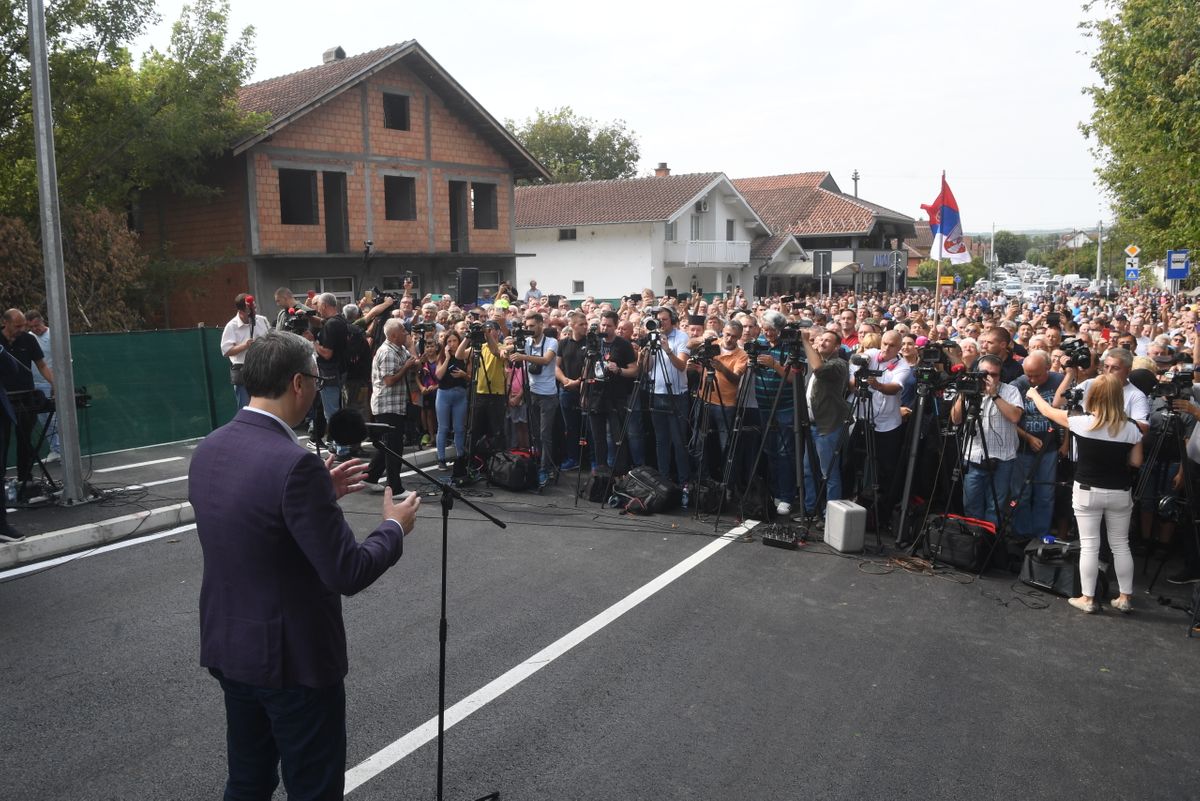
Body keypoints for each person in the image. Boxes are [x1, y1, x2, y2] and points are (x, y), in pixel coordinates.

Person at [189, 330, 420, 800]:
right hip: (291, 661)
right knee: (313, 786)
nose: (317, 388)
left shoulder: (210, 448)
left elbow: (252, 521)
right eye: (315, 379)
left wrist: (319, 495)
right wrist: (393, 528)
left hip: (230, 645)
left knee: (248, 779)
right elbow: (347, 571)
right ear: (298, 382)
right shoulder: (296, 465)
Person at [1026, 374, 1142, 614]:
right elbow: (1136, 461)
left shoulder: (1082, 422)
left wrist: (1034, 394)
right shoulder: (1131, 427)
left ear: (1095, 396)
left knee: (1090, 545)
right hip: (1120, 490)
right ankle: (1124, 597)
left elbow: (1048, 411)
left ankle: (1087, 599)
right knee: (1120, 544)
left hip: (1088, 489)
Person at [949, 354, 1023, 528]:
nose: (989, 378)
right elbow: (955, 419)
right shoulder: (971, 390)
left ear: (1000, 375)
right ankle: (972, 544)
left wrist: (995, 395)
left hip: (1003, 459)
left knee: (995, 507)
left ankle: (988, 545)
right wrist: (963, 393)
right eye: (985, 373)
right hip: (974, 456)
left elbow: (1015, 417)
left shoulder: (1010, 391)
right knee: (971, 505)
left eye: (994, 374)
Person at [1008, 351, 1066, 539]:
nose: (1031, 380)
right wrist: (1028, 438)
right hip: (1023, 448)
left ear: (1048, 368)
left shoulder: (1059, 380)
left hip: (1049, 448)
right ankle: (1022, 533)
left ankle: (1041, 534)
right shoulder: (1017, 385)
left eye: (1036, 375)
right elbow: (1009, 419)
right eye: (1028, 375)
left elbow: (1069, 414)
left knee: (1045, 493)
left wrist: (1065, 443)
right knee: (1021, 494)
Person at [0, 309, 54, 494]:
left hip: (25, 396)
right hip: (4, 398)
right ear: (5, 323)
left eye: (23, 325)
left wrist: (55, 383)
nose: (21, 329)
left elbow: (42, 364)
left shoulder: (28, 339)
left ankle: (25, 477)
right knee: (3, 439)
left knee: (25, 438)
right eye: (17, 326)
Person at [800, 328, 849, 517]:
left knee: (828, 472)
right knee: (808, 471)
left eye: (828, 341)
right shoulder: (814, 362)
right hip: (811, 424)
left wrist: (806, 341)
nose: (822, 343)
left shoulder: (839, 364)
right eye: (820, 340)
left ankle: (831, 515)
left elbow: (820, 370)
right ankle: (810, 510)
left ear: (837, 346)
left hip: (828, 426)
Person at [363, 319, 416, 495]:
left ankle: (370, 476)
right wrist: (406, 367)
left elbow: (413, 361)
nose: (406, 333)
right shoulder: (387, 352)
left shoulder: (399, 349)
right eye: (403, 331)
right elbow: (389, 381)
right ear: (393, 335)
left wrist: (413, 353)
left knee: (388, 445)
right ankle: (395, 488)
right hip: (387, 406)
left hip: (396, 405)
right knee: (394, 447)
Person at [753, 311, 798, 515]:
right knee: (769, 451)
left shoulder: (790, 345)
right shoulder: (760, 342)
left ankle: (787, 496)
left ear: (780, 329)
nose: (768, 333)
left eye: (772, 329)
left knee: (784, 453)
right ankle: (773, 493)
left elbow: (794, 379)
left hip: (785, 407)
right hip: (764, 406)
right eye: (765, 329)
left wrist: (775, 365)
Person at [508, 311, 559, 485]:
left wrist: (523, 356)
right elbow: (509, 351)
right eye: (526, 326)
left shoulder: (552, 342)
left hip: (548, 396)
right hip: (533, 393)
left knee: (545, 434)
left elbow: (546, 360)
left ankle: (546, 469)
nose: (529, 329)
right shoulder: (526, 342)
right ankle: (538, 464)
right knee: (535, 434)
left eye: (531, 326)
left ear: (540, 325)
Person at [645, 307, 692, 493]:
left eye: (664, 320)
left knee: (679, 441)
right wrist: (648, 350)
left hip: (677, 395)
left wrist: (667, 349)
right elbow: (647, 369)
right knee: (661, 440)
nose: (661, 323)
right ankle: (663, 481)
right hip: (656, 393)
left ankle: (684, 482)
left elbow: (682, 366)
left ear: (672, 320)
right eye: (658, 320)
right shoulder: (652, 336)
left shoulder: (681, 337)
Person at [587, 310, 637, 475]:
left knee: (617, 437)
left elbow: (634, 370)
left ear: (616, 326)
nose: (605, 328)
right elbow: (585, 367)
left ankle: (619, 472)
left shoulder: (623, 344)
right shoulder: (594, 342)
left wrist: (619, 370)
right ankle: (600, 472)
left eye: (609, 325)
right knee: (598, 437)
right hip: (596, 395)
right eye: (603, 324)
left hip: (616, 397)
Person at [304, 293, 350, 454]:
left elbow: (327, 353)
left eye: (318, 307)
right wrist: (307, 314)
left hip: (330, 374)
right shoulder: (339, 321)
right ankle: (341, 444)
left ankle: (342, 447)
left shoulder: (331, 326)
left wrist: (312, 341)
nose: (317, 310)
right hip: (339, 371)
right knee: (335, 410)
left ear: (324, 306)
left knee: (331, 413)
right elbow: (321, 322)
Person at [220, 293, 270, 410]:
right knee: (245, 407)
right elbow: (226, 351)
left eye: (255, 308)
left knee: (265, 406)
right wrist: (244, 346)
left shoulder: (262, 320)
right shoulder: (232, 326)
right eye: (250, 309)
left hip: (262, 369)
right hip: (243, 371)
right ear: (241, 311)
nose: (254, 311)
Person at [555, 311, 589, 472]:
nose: (585, 327)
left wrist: (577, 382)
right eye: (581, 324)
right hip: (566, 390)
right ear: (573, 325)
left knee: (587, 426)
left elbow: (590, 367)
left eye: (586, 324)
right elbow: (556, 365)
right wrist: (565, 380)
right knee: (570, 427)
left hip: (585, 391)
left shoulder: (590, 343)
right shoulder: (563, 343)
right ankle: (572, 458)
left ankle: (591, 460)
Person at [24, 310, 59, 461]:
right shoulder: (29, 338)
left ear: (42, 322)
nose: (35, 329)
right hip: (34, 385)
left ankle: (65, 450)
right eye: (31, 327)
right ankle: (55, 450)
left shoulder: (54, 335)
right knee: (43, 420)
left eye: (37, 325)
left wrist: (56, 384)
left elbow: (63, 361)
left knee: (56, 419)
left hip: (50, 383)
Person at [435, 331, 470, 471]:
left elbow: (471, 378)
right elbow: (438, 375)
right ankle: (441, 459)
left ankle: (460, 456)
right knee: (443, 427)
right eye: (449, 341)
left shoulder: (465, 356)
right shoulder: (443, 356)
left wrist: (464, 375)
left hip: (460, 395)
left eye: (454, 341)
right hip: (444, 394)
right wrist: (448, 358)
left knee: (459, 429)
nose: (452, 344)